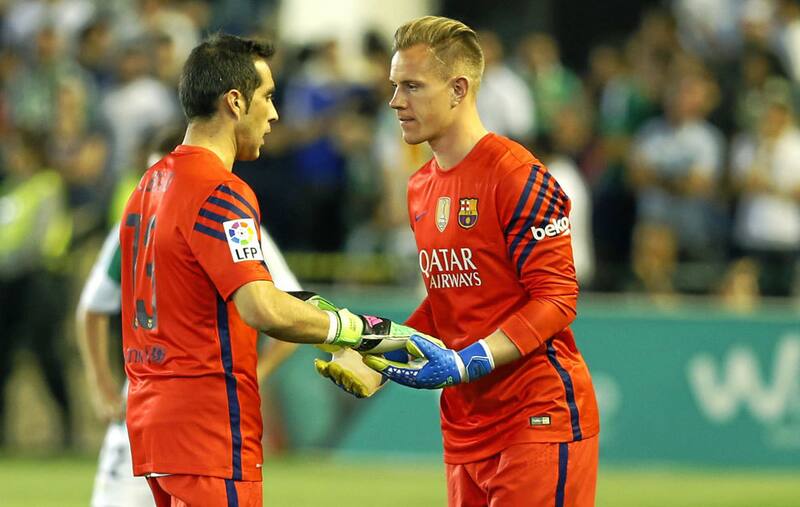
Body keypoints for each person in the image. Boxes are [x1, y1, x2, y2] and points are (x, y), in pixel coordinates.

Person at [119, 33, 422, 506]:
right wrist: (358, 330)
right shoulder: (221, 191)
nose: (276, 114)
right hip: (209, 429)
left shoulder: (148, 186)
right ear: (235, 101)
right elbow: (263, 308)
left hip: (154, 421)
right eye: (268, 96)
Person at [322, 17, 600, 506]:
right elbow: (447, 300)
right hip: (464, 428)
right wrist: (380, 357)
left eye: (412, 86)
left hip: (535, 417)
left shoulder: (517, 175)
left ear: (458, 89)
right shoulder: (419, 187)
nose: (395, 102)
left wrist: (468, 361)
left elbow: (557, 298)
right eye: (394, 86)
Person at [76, 130, 302, 507]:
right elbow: (283, 308)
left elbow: (281, 306)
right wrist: (344, 330)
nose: (157, 180)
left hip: (154, 412)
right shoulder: (218, 211)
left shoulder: (135, 222)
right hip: (188, 416)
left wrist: (256, 373)